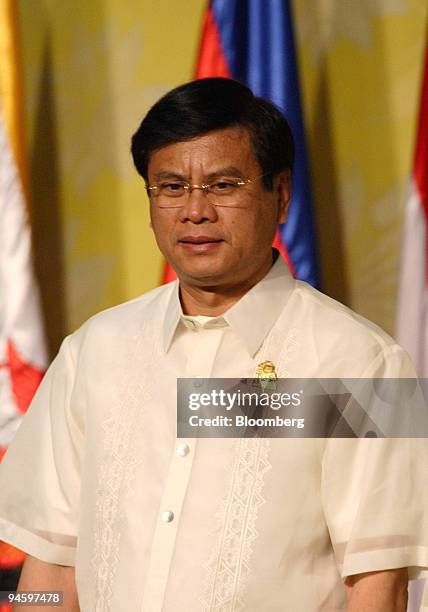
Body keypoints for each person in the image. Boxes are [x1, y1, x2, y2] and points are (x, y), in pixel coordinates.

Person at [0, 77, 427, 611]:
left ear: (281, 194)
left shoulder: (367, 364)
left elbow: (377, 588)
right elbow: (50, 567)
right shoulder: (93, 352)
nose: (194, 211)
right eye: (171, 187)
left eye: (223, 186)